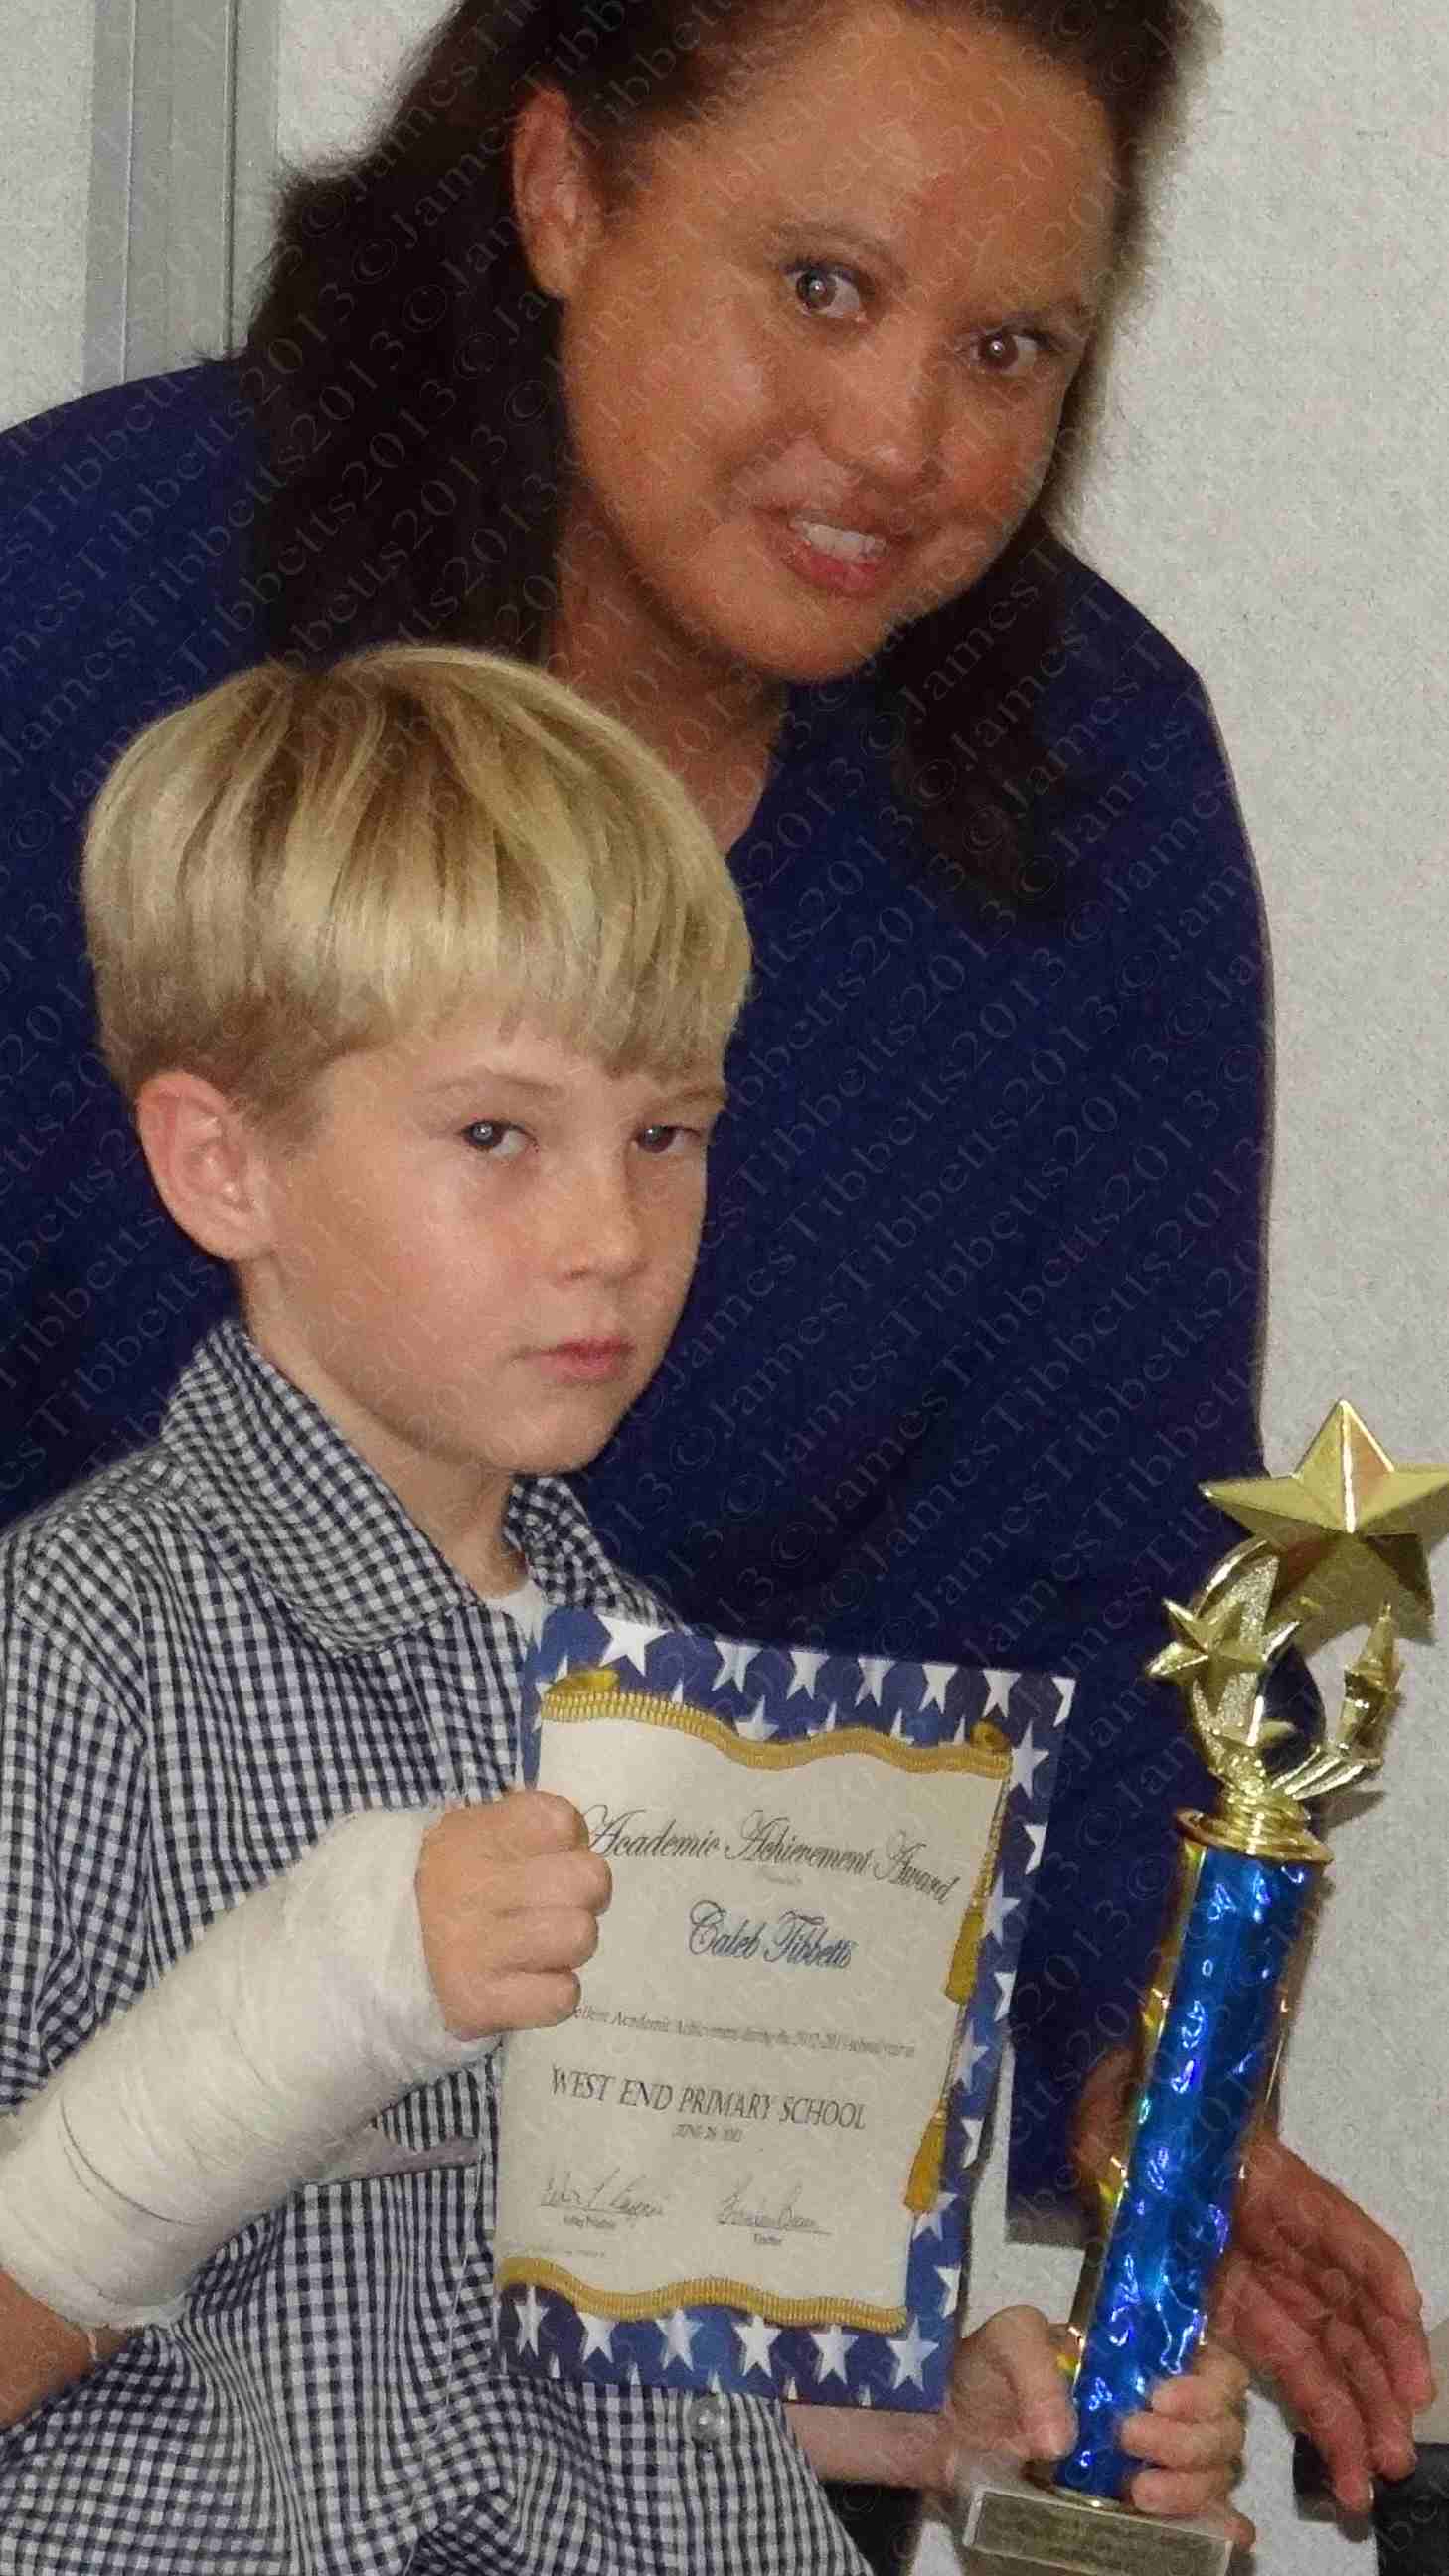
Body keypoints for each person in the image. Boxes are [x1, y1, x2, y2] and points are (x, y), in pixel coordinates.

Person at [0, 0, 1431, 2555]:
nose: (905, 440)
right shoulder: (74, 610)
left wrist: (1156, 2114)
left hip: (669, 2406)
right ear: (564, 191)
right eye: (823, 288)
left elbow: (1103, 1622)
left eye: (1012, 349)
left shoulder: (1084, 805)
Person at [0, 643, 1252, 2569]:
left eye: (664, 1133)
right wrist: (316, 1999)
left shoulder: (673, 1688)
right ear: (221, 1163)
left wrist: (942, 2419)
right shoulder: (77, 1654)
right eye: (497, 1135)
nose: (609, 1234)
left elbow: (626, 2332)